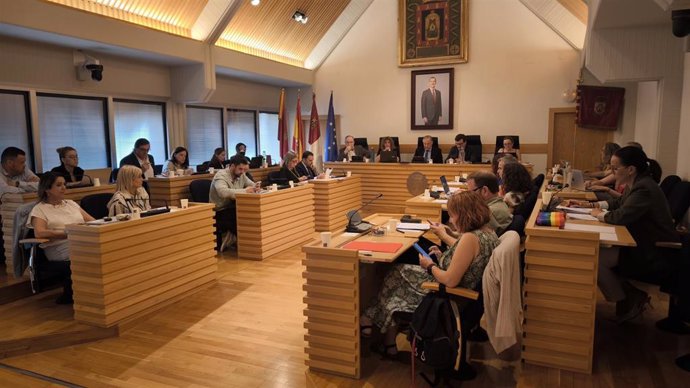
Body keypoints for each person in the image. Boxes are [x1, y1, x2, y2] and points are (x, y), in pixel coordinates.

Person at [360, 191, 499, 358]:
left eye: (453, 215)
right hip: (463, 291)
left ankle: (373, 325)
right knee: (395, 280)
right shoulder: (488, 232)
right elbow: (465, 263)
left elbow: (450, 280)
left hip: (450, 296)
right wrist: (442, 256)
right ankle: (383, 336)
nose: (452, 220)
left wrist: (430, 265)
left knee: (395, 277)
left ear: (464, 214)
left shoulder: (470, 238)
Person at [566, 146, 675, 323]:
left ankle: (628, 298)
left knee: (596, 259)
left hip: (654, 251)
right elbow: (618, 203)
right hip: (641, 242)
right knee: (596, 255)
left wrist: (597, 215)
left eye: (615, 168)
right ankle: (628, 295)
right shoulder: (639, 183)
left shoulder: (644, 188)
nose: (612, 172)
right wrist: (590, 207)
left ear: (630, 170)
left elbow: (621, 215)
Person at [28, 172, 95, 304]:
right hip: (58, 247)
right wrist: (67, 233)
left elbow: (93, 221)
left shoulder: (71, 204)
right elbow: (39, 233)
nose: (64, 187)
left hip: (77, 240)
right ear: (47, 189)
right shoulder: (40, 209)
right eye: (59, 185)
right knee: (92, 253)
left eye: (64, 184)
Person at [210, 155, 260, 250]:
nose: (242, 172)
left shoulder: (241, 174)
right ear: (232, 166)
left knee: (250, 214)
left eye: (244, 170)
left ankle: (236, 239)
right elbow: (223, 192)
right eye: (240, 169)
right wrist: (246, 191)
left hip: (234, 206)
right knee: (242, 218)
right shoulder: (221, 176)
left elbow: (251, 184)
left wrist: (256, 186)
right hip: (220, 210)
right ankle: (247, 246)